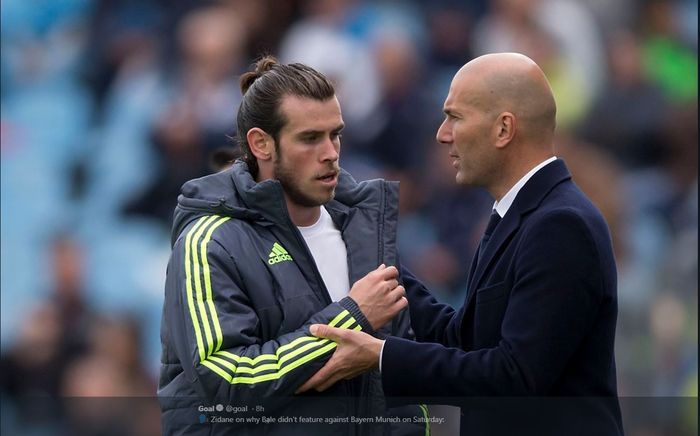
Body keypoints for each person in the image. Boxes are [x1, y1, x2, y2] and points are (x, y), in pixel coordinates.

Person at [299, 53, 624, 436]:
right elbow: (466, 342)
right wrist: (373, 264)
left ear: (504, 129)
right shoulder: (522, 213)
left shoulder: (560, 225)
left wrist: (383, 356)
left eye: (455, 117)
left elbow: (514, 379)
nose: (442, 133)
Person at [158, 56, 427, 436]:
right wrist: (352, 316)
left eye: (336, 134)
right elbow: (227, 384)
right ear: (261, 144)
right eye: (310, 138)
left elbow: (395, 376)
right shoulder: (209, 242)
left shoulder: (364, 230)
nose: (331, 152)